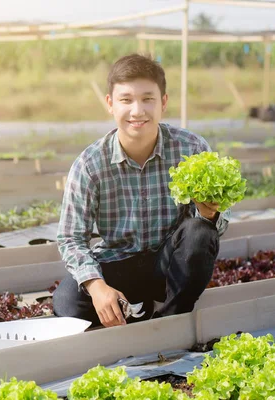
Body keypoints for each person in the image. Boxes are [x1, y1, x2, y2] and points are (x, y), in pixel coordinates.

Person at [53, 54, 231, 328]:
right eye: (126, 100)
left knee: (199, 232)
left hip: (169, 264)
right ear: (110, 104)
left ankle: (169, 321)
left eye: (148, 99)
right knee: (67, 301)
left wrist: (209, 216)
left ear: (163, 102)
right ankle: (136, 306)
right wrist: (98, 287)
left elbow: (212, 231)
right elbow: (71, 238)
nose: (138, 111)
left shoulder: (191, 149)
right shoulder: (90, 164)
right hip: (118, 263)